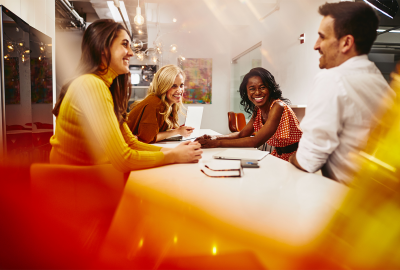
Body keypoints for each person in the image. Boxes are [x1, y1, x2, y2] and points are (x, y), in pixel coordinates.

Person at [50, 19, 202, 172]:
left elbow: (131, 143)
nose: (131, 52)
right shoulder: (91, 84)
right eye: (124, 44)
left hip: (88, 177)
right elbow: (123, 159)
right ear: (102, 48)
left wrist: (174, 152)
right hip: (74, 184)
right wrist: (174, 156)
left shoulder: (103, 87)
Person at [289, 2, 395, 183]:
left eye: (322, 37)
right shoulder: (381, 83)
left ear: (346, 43)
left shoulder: (332, 80)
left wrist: (291, 158)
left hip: (343, 198)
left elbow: (308, 161)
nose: (316, 45)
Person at [196, 67, 302, 161]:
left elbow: (256, 141)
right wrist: (214, 137)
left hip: (296, 156)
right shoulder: (258, 110)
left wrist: (217, 143)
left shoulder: (278, 106)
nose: (257, 93)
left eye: (262, 87)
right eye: (252, 89)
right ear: (246, 92)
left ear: (270, 88)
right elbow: (241, 134)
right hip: (279, 155)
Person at [127, 65, 194, 143]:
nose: (179, 90)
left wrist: (179, 129)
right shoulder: (155, 104)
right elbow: (148, 138)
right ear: (163, 86)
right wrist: (177, 131)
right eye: (173, 86)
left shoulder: (170, 104)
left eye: (181, 85)